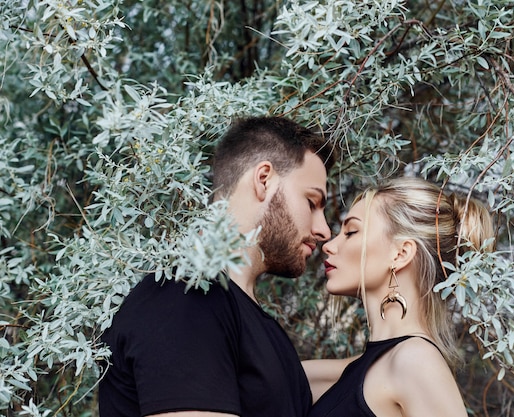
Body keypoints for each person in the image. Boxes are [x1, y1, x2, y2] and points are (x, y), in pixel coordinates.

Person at [98, 116, 335, 417]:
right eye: (312, 202)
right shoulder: (185, 297)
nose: (324, 230)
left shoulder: (251, 321)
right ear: (264, 179)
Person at [303, 177, 494, 417]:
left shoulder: (416, 362)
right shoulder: (360, 370)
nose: (329, 246)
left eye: (351, 232)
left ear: (401, 254)